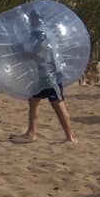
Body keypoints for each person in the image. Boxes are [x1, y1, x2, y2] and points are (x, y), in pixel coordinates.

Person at [13, 8, 77, 144]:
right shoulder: (42, 32)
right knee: (33, 101)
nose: (30, 21)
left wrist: (22, 54)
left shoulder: (41, 33)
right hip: (41, 74)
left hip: (50, 75)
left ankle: (70, 137)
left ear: (36, 20)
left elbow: (40, 54)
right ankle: (31, 133)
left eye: (32, 19)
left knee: (58, 104)